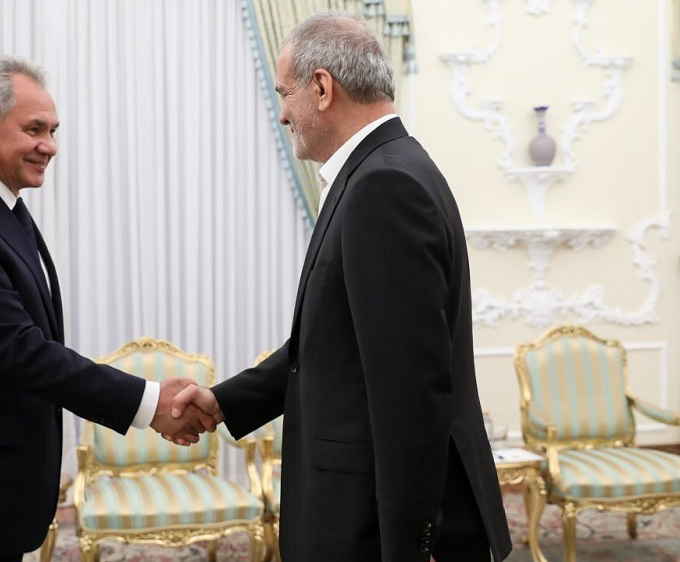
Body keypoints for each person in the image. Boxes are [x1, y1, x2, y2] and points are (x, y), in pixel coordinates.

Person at [172, 12, 513, 562]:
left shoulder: (384, 185)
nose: (282, 112)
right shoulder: (383, 169)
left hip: (374, 528)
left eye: (285, 93)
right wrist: (223, 400)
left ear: (323, 87)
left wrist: (410, 542)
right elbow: (334, 345)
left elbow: (412, 389)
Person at [0, 55, 216, 562]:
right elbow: (22, 351)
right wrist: (151, 402)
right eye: (34, 129)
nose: (49, 145)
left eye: (52, 130)